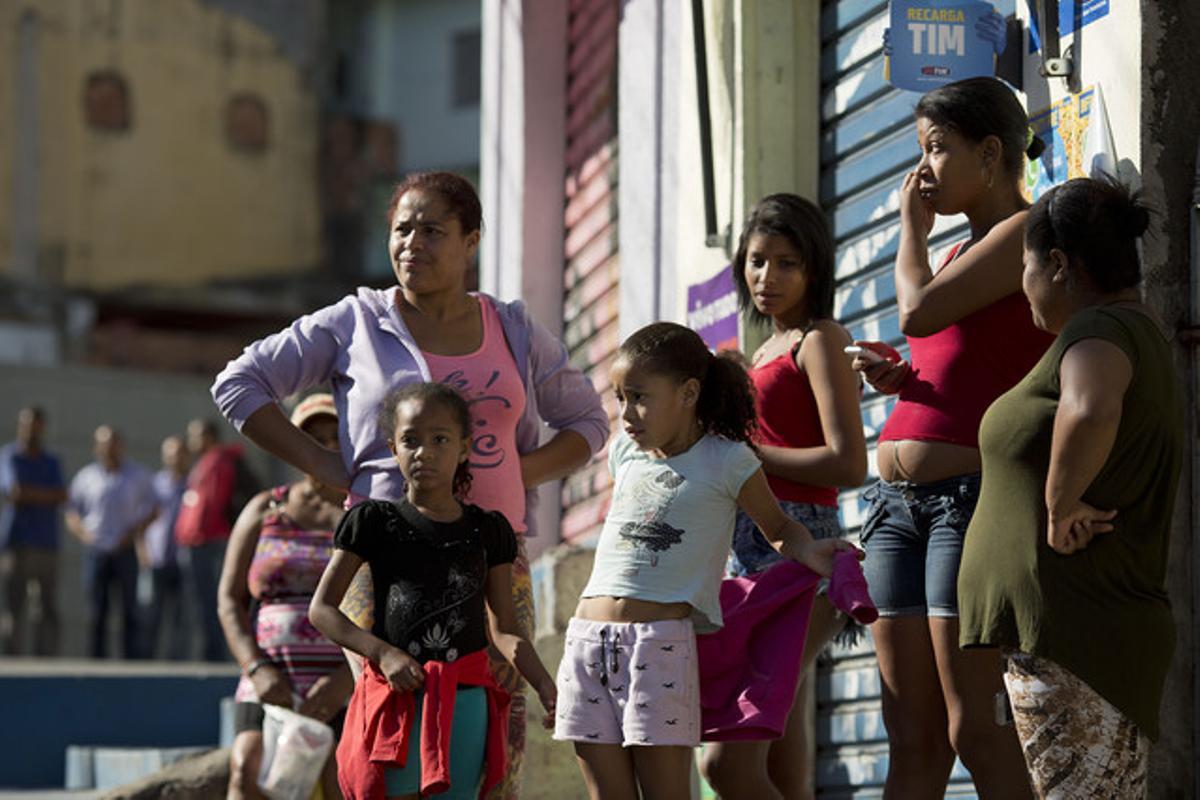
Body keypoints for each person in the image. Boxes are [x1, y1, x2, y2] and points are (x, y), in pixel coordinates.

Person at [212, 171, 608, 797]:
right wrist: (327, 467)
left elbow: (588, 423)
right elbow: (239, 384)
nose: (412, 244)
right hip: (382, 561)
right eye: (401, 230)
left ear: (471, 240)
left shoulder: (513, 329)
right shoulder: (354, 324)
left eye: (432, 230)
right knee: (391, 728)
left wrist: (508, 470)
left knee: (494, 744)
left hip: (492, 558)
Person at [849, 77, 1052, 798]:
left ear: (991, 153)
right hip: (894, 511)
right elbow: (959, 355)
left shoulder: (1027, 231)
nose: (922, 171)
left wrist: (909, 229)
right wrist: (903, 381)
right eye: (919, 151)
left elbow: (919, 312)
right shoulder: (960, 253)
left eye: (937, 149)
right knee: (912, 737)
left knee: (977, 729)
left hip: (968, 507)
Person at [555, 322, 854, 800]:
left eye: (639, 397)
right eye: (619, 397)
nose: (626, 413)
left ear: (689, 392)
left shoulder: (729, 460)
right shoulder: (625, 452)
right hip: (588, 645)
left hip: (660, 647)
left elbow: (778, 529)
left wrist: (811, 550)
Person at [958, 177, 1182, 797]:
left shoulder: (1100, 334)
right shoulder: (1125, 330)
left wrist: (1058, 506)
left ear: (1057, 264)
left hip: (1078, 635)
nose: (1022, 284)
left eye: (1024, 266)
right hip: (1073, 636)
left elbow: (1087, 408)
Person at [309, 383, 557, 799]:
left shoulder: (488, 531)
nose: (424, 452)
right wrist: (382, 653)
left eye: (440, 439)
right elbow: (322, 610)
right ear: (393, 448)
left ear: (464, 447)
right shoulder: (373, 522)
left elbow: (506, 630)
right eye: (411, 440)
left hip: (465, 705)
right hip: (397, 701)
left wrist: (546, 686)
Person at [699, 194, 867, 799]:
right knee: (781, 760)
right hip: (750, 549)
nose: (768, 277)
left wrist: (745, 458)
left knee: (725, 762)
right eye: (757, 261)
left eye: (787, 263)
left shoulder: (818, 340)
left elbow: (849, 462)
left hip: (802, 551)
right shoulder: (762, 350)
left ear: (814, 269)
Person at [218, 393, 350, 800]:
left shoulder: (362, 513)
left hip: (339, 685)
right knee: (247, 771)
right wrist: (257, 668)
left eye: (335, 436)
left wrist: (346, 681)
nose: (325, 446)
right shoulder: (265, 508)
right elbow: (229, 599)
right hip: (271, 680)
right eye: (313, 438)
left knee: (337, 783)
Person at [66, 426, 156, 659]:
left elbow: (154, 507)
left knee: (129, 609)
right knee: (97, 609)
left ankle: (130, 660)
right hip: (97, 549)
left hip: (125, 548)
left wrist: (135, 531)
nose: (110, 449)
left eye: (114, 444)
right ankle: (97, 660)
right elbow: (72, 512)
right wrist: (84, 534)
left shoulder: (138, 475)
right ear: (97, 447)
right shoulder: (86, 477)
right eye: (105, 444)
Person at [176, 418, 259, 661]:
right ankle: (211, 651)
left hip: (209, 541)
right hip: (201, 540)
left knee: (213, 600)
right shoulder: (205, 462)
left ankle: (215, 654)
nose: (191, 441)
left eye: (195, 435)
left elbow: (212, 504)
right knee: (203, 602)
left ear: (208, 436)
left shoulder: (218, 462)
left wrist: (196, 534)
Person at [0, 407, 67, 656]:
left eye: (36, 426)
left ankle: (46, 659)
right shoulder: (9, 456)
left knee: (46, 607)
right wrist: (43, 495)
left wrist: (31, 494)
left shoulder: (52, 461)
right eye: (27, 425)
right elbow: (15, 491)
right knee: (13, 607)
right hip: (17, 544)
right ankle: (11, 659)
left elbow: (61, 495)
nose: (31, 431)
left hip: (46, 544)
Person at [140, 435, 191, 660]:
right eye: (171, 453)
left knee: (181, 617)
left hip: (182, 559)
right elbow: (141, 522)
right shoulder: (155, 485)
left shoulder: (194, 484)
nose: (176, 458)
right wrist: (142, 552)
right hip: (156, 558)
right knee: (151, 615)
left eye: (180, 453)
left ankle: (176, 661)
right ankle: (147, 661)